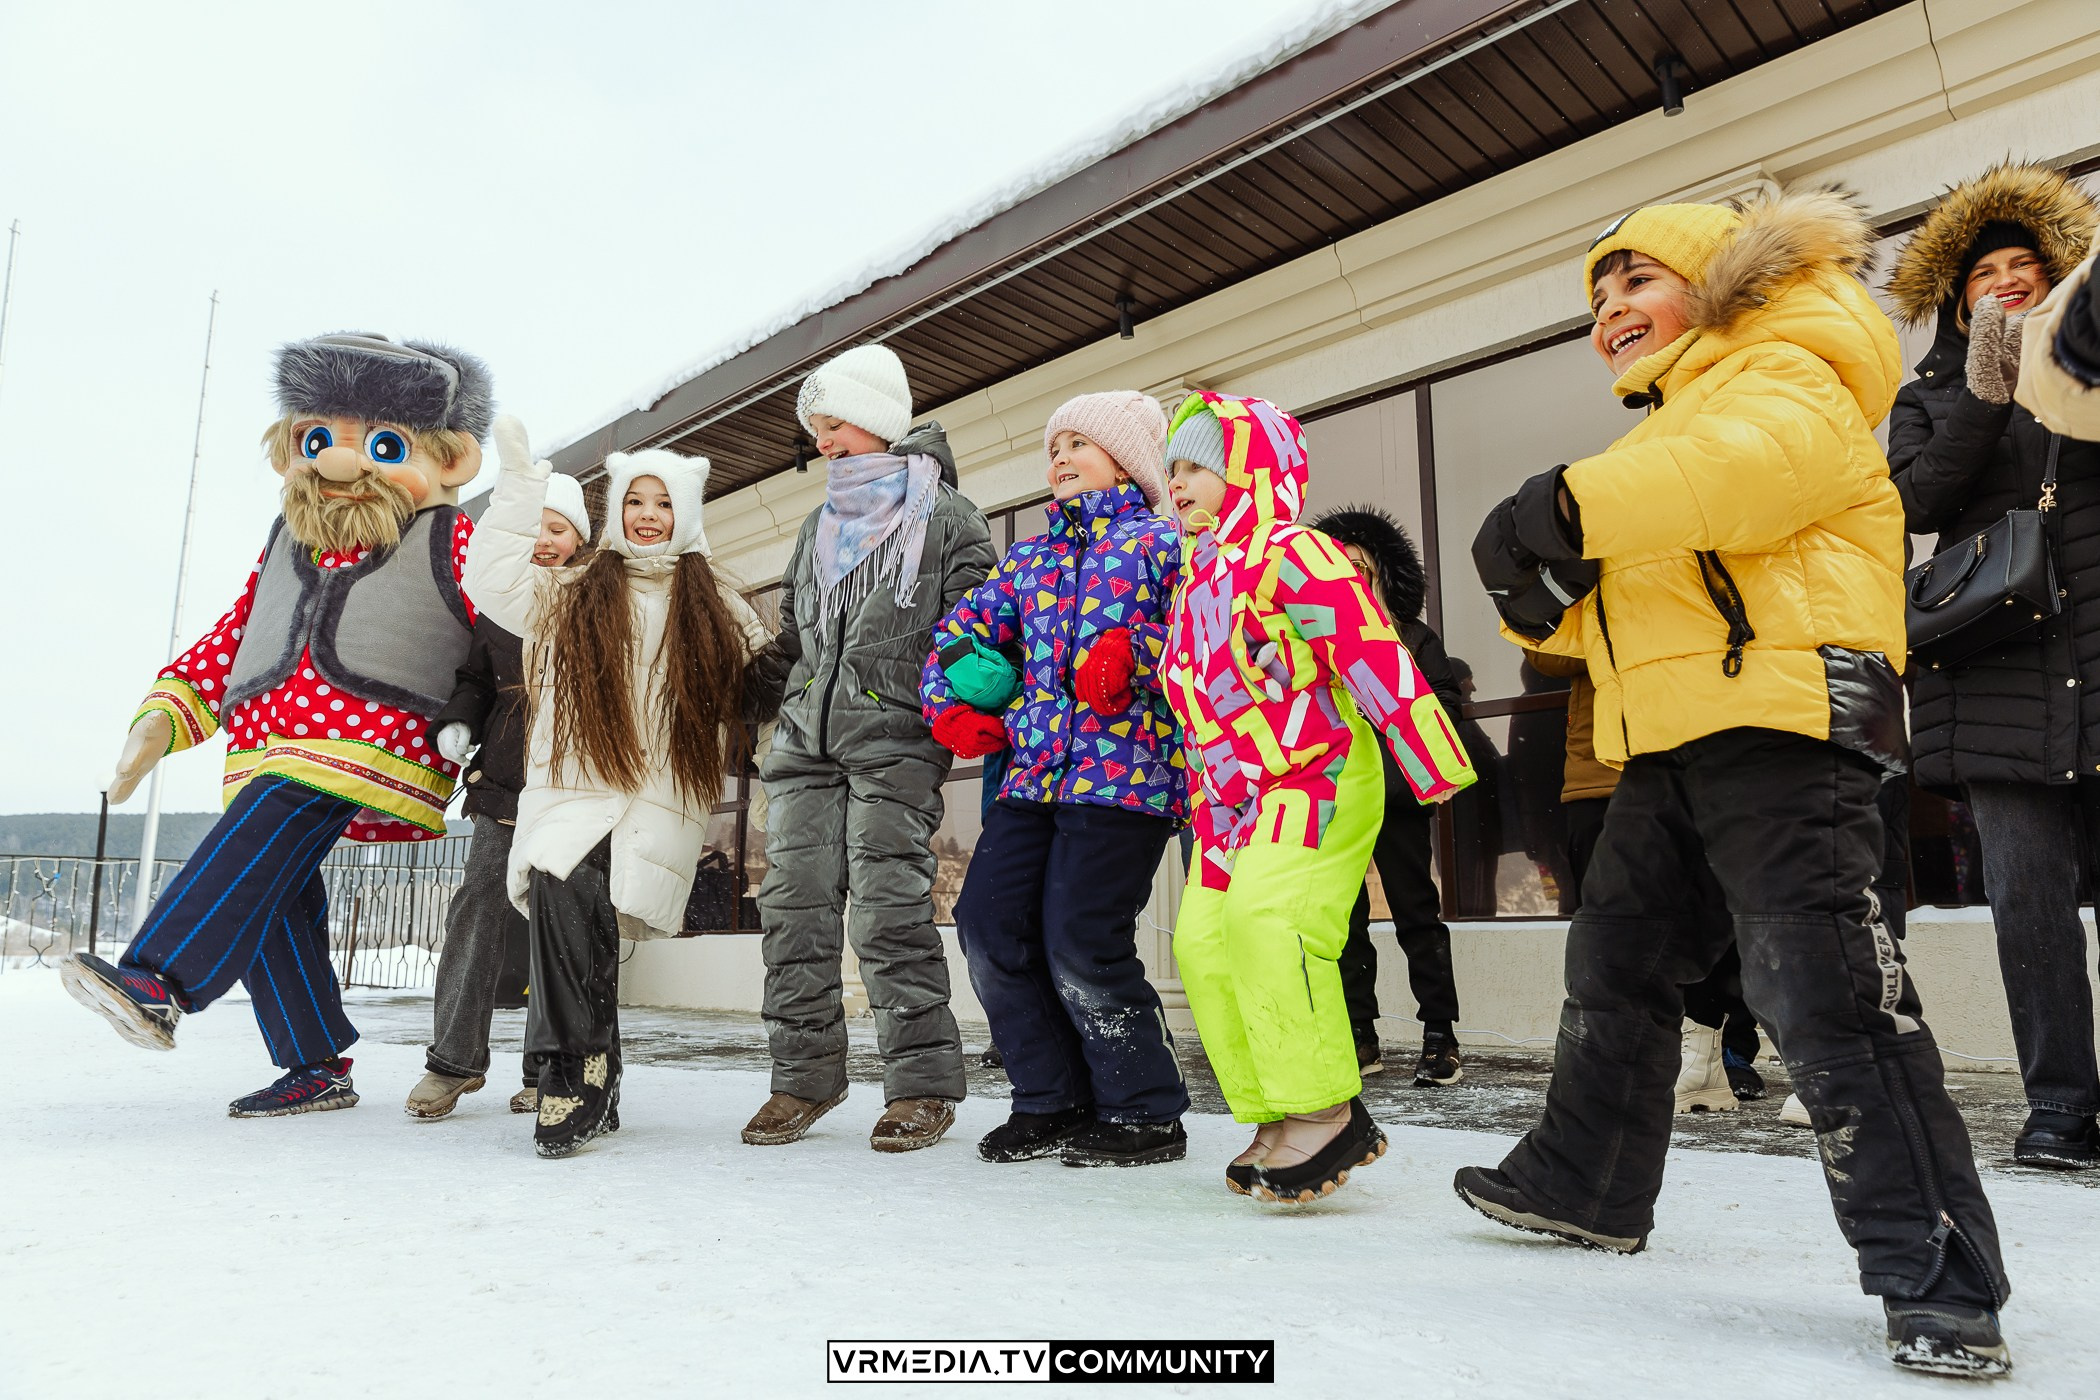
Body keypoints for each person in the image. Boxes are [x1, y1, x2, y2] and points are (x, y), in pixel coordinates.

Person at [1464, 189, 2012, 1377]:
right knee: (1615, 958)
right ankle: (1587, 1180)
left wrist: (1558, 507)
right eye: (1598, 296)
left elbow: (1747, 480)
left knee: (1818, 983)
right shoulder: (1663, 427)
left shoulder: (1791, 370)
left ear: (1720, 286)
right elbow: (1664, 573)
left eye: (1638, 281)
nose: (1612, 309)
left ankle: (1939, 1271)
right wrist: (1545, 597)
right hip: (1677, 729)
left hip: (1787, 714)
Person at [62, 334, 489, 1117]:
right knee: (273, 896)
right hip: (268, 741)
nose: (335, 464)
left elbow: (514, 620)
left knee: (273, 820)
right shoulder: (285, 546)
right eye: (315, 441)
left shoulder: (453, 539)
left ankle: (160, 977)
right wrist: (163, 717)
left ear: (451, 460)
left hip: (375, 732)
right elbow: (235, 636)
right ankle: (315, 1062)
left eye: (384, 446)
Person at [1160, 392, 1475, 1205]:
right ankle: (1274, 1108)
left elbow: (1375, 654)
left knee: (1271, 923)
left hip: (1318, 774)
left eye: (1198, 464)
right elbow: (1199, 706)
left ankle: (1328, 1109)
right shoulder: (1195, 578)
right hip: (1232, 802)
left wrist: (1433, 766)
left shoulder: (1296, 553)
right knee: (1202, 941)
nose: (1179, 481)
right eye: (1173, 467)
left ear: (1247, 469)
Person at [462, 418, 771, 1158]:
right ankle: (576, 1071)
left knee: (590, 923)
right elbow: (491, 578)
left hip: (656, 795)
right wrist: (519, 489)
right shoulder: (570, 592)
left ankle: (594, 1071)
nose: (648, 516)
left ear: (685, 515)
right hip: (574, 784)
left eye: (664, 504)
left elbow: (758, 684)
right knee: (562, 889)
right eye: (637, 500)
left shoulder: (717, 604)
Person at [1886, 161, 2100, 1171]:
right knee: (2030, 908)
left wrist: (2065, 363)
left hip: (2094, 654)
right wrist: (1986, 386)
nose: (2007, 280)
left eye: (2026, 264)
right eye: (1986, 273)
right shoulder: (1928, 393)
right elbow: (1918, 501)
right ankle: (2060, 1108)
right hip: (1998, 679)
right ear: (1958, 297)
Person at [925, 390, 1191, 1167]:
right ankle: (1052, 1097)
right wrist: (959, 700)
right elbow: (957, 635)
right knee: (986, 925)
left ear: (1128, 461)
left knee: (1080, 937)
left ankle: (1143, 1110)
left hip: (1127, 779)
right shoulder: (1032, 559)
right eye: (1056, 446)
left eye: (1080, 443)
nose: (1062, 458)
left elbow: (1203, 642)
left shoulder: (1163, 546)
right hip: (1032, 775)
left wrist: (1136, 662)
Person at [743, 345, 997, 1152]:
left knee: (888, 913)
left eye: (833, 422)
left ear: (881, 420)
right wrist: (740, 690)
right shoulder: (818, 526)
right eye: (814, 428)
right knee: (793, 912)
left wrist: (967, 690)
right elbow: (796, 640)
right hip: (806, 743)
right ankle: (802, 1079)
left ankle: (922, 1086)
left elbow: (977, 626)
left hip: (895, 738)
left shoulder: (947, 516)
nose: (821, 440)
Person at [405, 474, 591, 1120]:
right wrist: (459, 720)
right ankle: (452, 1061)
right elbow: (474, 678)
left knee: (553, 923)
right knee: (479, 903)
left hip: (566, 788)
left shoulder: (591, 602)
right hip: (502, 783)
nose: (544, 539)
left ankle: (547, 1068)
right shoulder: (497, 602)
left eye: (558, 528)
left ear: (577, 541)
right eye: (536, 525)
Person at [1306, 504, 1465, 1086]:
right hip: (1336, 799)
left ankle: (1440, 1035)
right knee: (1344, 923)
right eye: (1337, 568)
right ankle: (1359, 1035)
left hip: (1396, 797)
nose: (1349, 576)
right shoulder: (1314, 643)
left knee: (1416, 914)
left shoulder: (1413, 637)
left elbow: (1444, 705)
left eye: (1358, 567)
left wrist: (1405, 768)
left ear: (1379, 575)